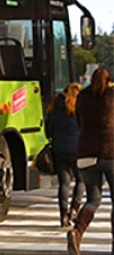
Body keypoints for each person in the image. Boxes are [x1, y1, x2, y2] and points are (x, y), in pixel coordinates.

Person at [67, 67, 114, 255]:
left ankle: (77, 233)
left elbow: (80, 123)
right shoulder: (112, 95)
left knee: (93, 199)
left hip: (85, 153)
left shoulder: (83, 97)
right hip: (111, 152)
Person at [44, 82, 84, 227]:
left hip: (59, 149)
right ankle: (75, 208)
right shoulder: (79, 109)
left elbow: (48, 130)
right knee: (81, 180)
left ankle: (63, 216)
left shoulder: (55, 108)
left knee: (64, 183)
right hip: (77, 150)